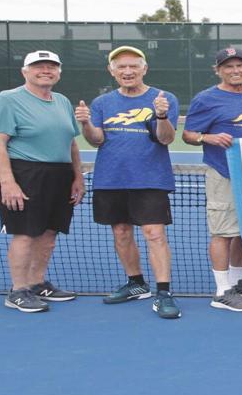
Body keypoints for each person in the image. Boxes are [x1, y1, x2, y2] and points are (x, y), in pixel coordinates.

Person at [77, 46, 185, 318]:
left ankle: (163, 292)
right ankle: (136, 283)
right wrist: (86, 124)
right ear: (112, 72)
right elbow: (96, 140)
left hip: (150, 178)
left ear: (144, 69)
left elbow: (166, 138)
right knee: (121, 233)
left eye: (133, 66)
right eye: (121, 67)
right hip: (110, 178)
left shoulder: (163, 98)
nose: (127, 71)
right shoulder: (102, 103)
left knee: (154, 234)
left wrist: (161, 115)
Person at [0, 50, 83, 313]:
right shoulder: (8, 99)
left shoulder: (61, 101)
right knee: (26, 233)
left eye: (52, 66)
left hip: (59, 175)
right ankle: (18, 290)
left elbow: (71, 143)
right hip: (24, 173)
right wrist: (8, 182)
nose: (46, 70)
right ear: (25, 71)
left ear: (59, 72)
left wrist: (77, 177)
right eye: (38, 66)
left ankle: (37, 282)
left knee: (49, 233)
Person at [181, 46, 242, 308]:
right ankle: (222, 292)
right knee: (222, 232)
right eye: (228, 67)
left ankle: (237, 283)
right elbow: (188, 134)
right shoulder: (206, 99)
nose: (235, 70)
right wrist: (207, 137)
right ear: (218, 70)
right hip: (223, 172)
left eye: (240, 65)